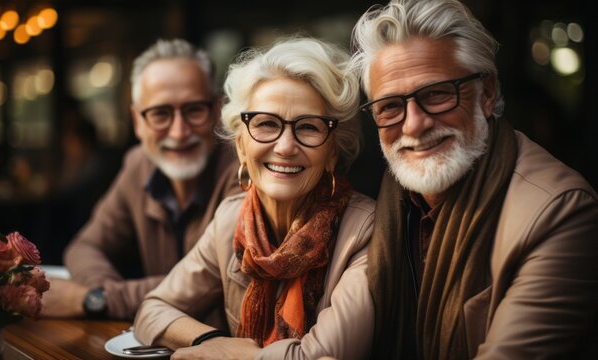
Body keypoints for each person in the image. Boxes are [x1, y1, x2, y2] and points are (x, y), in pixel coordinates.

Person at [350, 0, 598, 359]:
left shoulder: (562, 213)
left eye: (436, 94)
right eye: (390, 106)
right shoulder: (383, 209)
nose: (414, 125)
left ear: (487, 93)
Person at [133, 37, 375, 360]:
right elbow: (152, 309)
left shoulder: (365, 232)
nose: (286, 146)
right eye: (266, 124)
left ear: (333, 151)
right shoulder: (231, 220)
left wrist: (228, 356)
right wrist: (208, 341)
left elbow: (318, 357)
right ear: (241, 147)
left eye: (308, 127)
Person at [42, 39, 240, 320]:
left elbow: (215, 284)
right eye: (160, 114)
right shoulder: (139, 165)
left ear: (217, 110)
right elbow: (85, 246)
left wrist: (95, 300)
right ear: (137, 121)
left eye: (194, 110)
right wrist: (105, 293)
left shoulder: (243, 168)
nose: (179, 131)